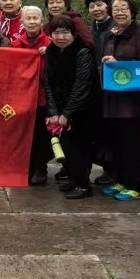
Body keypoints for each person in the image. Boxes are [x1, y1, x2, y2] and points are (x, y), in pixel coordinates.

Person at [100, 0, 140, 201]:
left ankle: (134, 185)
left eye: (124, 8)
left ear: (132, 12)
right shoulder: (110, 35)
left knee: (131, 144)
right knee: (117, 144)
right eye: (116, 9)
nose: (119, 12)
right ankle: (120, 180)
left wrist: (118, 62)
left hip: (130, 100)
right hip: (111, 98)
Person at [44, 14, 98, 199]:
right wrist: (53, 111)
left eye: (65, 32)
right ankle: (74, 179)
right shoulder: (51, 51)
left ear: (73, 34)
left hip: (81, 110)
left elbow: (81, 85)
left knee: (80, 147)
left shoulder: (82, 52)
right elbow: (47, 82)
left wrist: (67, 113)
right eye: (56, 33)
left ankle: (84, 185)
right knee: (67, 147)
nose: (61, 37)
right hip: (60, 110)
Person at [11, 5, 54, 184]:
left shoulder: (50, 43)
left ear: (42, 21)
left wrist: (50, 54)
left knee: (41, 134)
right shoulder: (15, 45)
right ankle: (25, 167)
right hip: (22, 97)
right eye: (28, 19)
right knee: (22, 134)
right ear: (22, 22)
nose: (32, 22)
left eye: (35, 18)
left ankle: (40, 168)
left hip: (43, 97)